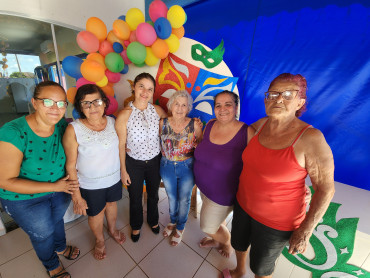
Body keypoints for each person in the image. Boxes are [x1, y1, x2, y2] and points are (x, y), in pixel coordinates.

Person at [225, 73, 335, 278]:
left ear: (300, 102)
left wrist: (305, 231)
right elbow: (230, 140)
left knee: (261, 268)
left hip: (276, 222)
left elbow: (325, 189)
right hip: (243, 204)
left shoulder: (310, 139)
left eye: (286, 94)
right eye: (272, 94)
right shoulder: (260, 125)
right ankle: (239, 270)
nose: (278, 99)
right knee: (238, 243)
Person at [0, 81, 80, 278]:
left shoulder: (61, 125)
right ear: (34, 103)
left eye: (61, 103)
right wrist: (54, 186)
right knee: (43, 233)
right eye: (48, 102)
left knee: (57, 221)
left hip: (58, 190)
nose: (56, 109)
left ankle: (60, 247)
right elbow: (5, 180)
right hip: (23, 198)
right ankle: (52, 264)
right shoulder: (14, 133)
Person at [63, 84, 125, 260]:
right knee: (96, 213)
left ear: (104, 103)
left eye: (96, 101)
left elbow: (120, 148)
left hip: (113, 179)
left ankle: (112, 229)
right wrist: (76, 196)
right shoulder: (73, 129)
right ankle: (99, 240)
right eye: (86, 103)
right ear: (80, 108)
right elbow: (70, 166)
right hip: (90, 184)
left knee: (112, 205)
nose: (92, 107)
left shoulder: (113, 122)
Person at [194, 90, 248, 258]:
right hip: (203, 187)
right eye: (218, 105)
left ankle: (226, 241)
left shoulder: (246, 132)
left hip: (223, 194)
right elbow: (203, 144)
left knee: (207, 227)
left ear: (236, 107)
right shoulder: (210, 123)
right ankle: (218, 240)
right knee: (217, 221)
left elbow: (260, 161)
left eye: (228, 104)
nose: (222, 109)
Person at [115, 72, 167, 242]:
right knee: (135, 197)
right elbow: (121, 145)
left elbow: (169, 131)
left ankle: (153, 221)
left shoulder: (158, 111)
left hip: (154, 161)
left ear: (153, 92)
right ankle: (136, 225)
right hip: (134, 163)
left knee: (153, 194)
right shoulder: (124, 115)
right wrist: (123, 170)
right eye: (141, 86)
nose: (145, 92)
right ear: (133, 87)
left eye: (150, 89)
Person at [159, 90, 203, 246]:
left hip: (187, 166)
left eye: (184, 105)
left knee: (184, 199)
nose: (179, 108)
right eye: (177, 103)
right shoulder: (162, 123)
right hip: (167, 165)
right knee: (171, 197)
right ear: (171, 105)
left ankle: (181, 226)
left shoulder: (194, 124)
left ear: (188, 108)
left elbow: (202, 144)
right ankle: (172, 221)